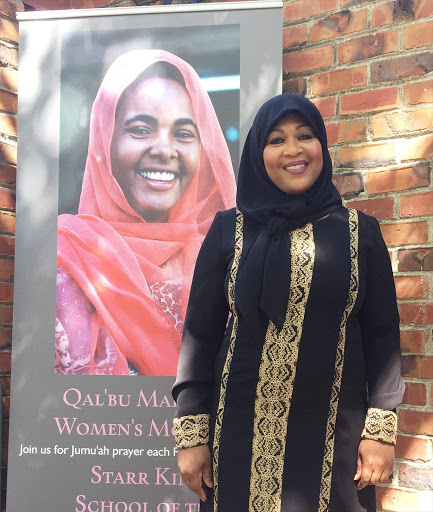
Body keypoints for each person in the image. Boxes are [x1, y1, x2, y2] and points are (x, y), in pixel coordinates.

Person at [172, 94, 404, 512]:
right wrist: (192, 435)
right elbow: (200, 335)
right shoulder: (229, 230)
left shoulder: (360, 234)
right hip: (237, 432)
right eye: (276, 140)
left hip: (336, 438)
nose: (293, 150)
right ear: (259, 153)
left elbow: (383, 337)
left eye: (305, 136)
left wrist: (380, 431)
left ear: (322, 147)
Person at [55, 50, 236, 375]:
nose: (165, 150)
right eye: (140, 129)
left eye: (183, 134)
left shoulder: (224, 257)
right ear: (105, 143)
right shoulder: (67, 254)